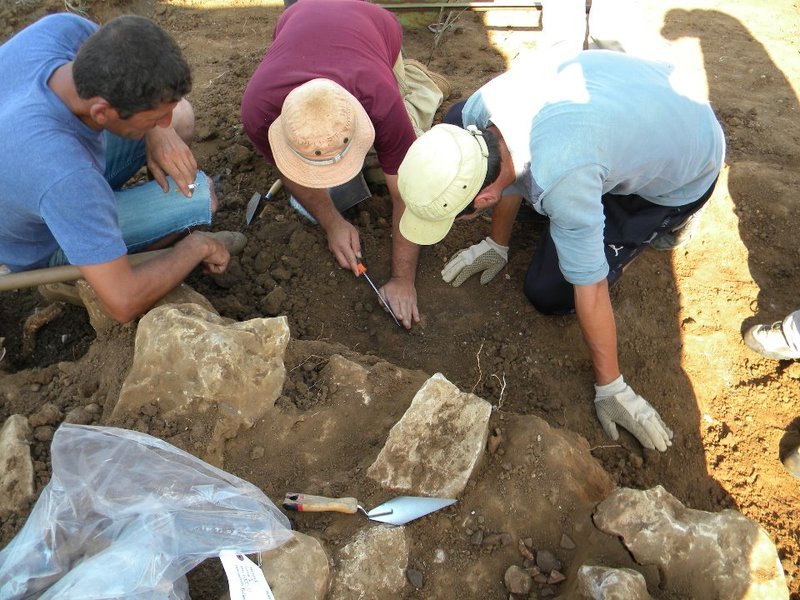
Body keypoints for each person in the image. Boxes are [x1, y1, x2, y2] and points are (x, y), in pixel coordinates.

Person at [397, 47, 725, 452]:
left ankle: (671, 223)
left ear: (482, 200)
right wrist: (496, 243)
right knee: (463, 121)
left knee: (552, 293)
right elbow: (501, 169)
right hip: (632, 99)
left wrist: (612, 387)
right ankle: (597, 191)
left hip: (686, 161)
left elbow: (591, 288)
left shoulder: (563, 178)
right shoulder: (478, 114)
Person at [0, 13, 236, 323]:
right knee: (200, 197)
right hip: (41, 240)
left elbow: (133, 74)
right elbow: (123, 302)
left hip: (31, 171)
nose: (163, 121)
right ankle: (86, 271)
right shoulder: (66, 175)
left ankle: (115, 223)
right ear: (101, 112)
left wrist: (159, 130)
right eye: (155, 118)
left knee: (181, 118)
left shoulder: (63, 30)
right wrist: (197, 245)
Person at [240, 0, 448, 330]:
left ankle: (417, 77)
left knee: (400, 156)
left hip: (373, 24)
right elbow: (287, 170)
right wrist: (332, 223)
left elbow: (406, 194)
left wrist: (402, 279)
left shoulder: (380, 99)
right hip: (300, 15)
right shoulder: (258, 112)